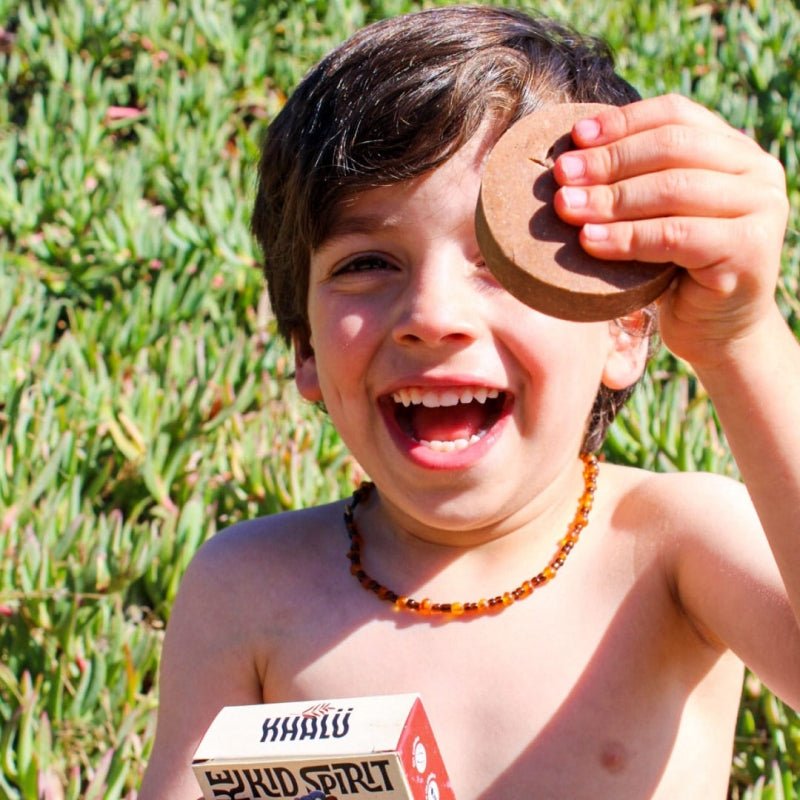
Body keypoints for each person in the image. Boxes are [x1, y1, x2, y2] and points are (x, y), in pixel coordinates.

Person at [140, 6, 800, 799]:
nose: (432, 315)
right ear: (305, 348)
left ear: (624, 327)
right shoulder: (245, 587)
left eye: (500, 265)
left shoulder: (669, 548)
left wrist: (740, 339)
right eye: (369, 262)